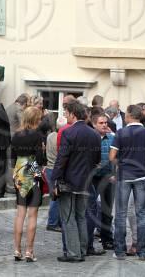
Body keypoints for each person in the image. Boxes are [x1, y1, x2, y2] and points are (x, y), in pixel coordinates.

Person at [109, 104, 145, 261]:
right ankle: (143, 251)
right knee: (141, 215)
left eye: (126, 115)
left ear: (129, 116)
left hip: (124, 176)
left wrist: (121, 165)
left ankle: (119, 251)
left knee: (120, 214)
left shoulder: (121, 133)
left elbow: (112, 157)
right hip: (142, 177)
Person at [52, 102, 101, 263]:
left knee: (69, 218)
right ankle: (81, 250)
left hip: (70, 182)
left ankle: (74, 253)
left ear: (73, 114)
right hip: (86, 181)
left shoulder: (69, 132)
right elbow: (97, 160)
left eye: (66, 112)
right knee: (80, 216)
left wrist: (55, 180)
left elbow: (62, 159)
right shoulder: (94, 134)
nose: (65, 115)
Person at [11, 107, 46, 262]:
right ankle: (29, 251)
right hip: (32, 171)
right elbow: (39, 160)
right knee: (32, 215)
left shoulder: (16, 135)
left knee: (20, 214)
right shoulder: (38, 136)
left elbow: (12, 157)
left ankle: (17, 250)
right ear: (35, 120)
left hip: (19, 172)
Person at [87, 114, 116, 253]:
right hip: (91, 178)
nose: (104, 125)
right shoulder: (90, 138)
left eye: (106, 122)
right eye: (101, 123)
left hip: (106, 178)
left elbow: (117, 158)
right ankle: (87, 241)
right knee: (90, 209)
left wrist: (114, 174)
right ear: (94, 124)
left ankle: (107, 240)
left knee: (106, 211)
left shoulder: (112, 138)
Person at [45, 116, 66, 232]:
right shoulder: (61, 137)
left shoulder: (50, 136)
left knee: (54, 195)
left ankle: (54, 221)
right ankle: (52, 222)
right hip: (55, 169)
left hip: (49, 167)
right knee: (56, 196)